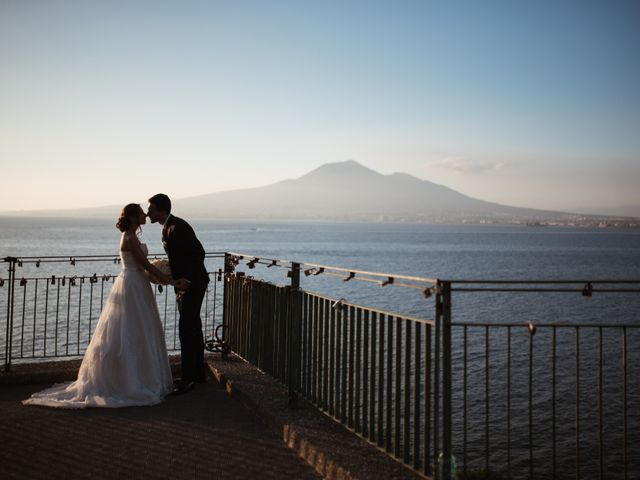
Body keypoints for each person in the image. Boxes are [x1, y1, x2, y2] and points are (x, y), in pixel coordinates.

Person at [23, 204, 174, 408]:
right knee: (130, 330)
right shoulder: (129, 238)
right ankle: (130, 382)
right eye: (140, 212)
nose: (144, 214)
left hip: (136, 283)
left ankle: (135, 377)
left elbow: (143, 266)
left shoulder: (131, 236)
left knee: (135, 331)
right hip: (132, 285)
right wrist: (170, 280)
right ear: (131, 218)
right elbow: (144, 265)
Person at [147, 193, 209, 395]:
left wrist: (187, 280)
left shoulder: (178, 227)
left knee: (186, 328)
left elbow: (199, 253)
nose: (148, 213)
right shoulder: (168, 227)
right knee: (193, 326)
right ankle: (197, 372)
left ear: (162, 210)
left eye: (152, 209)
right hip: (185, 284)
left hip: (192, 284)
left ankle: (188, 378)